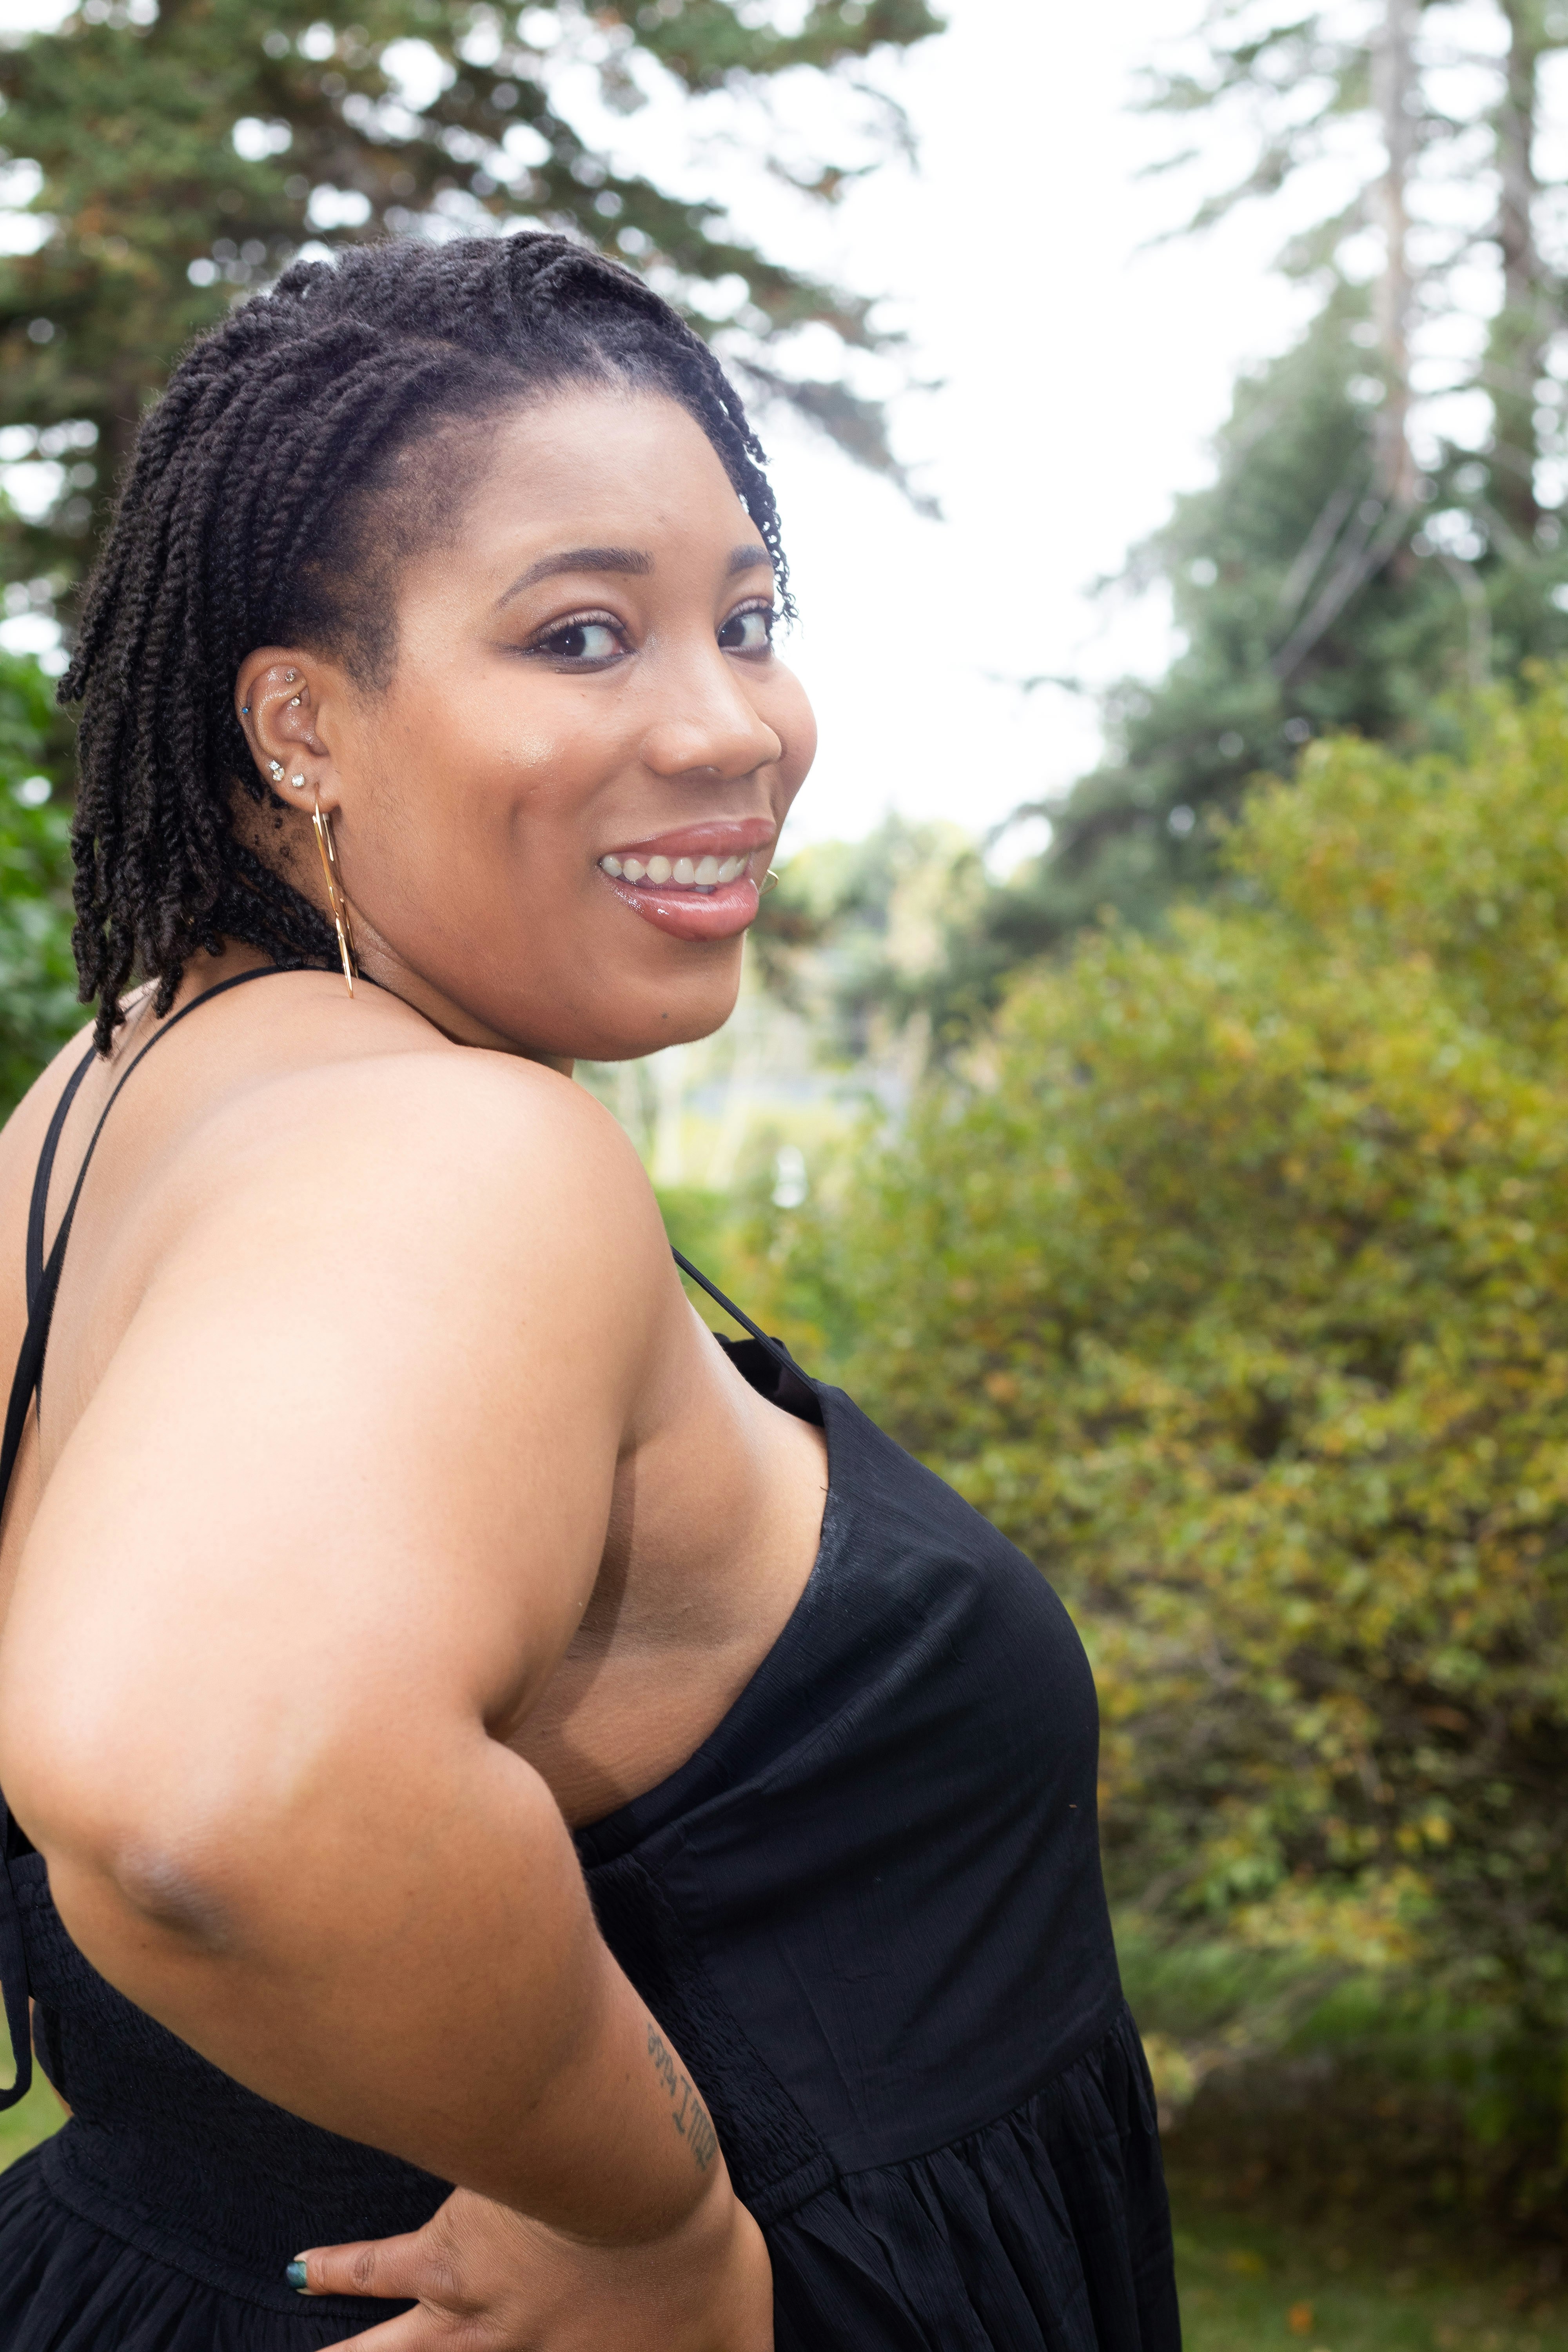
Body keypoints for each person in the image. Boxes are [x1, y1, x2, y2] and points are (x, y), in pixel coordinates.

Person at [0, 233, 1180, 2352]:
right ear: (299, 725)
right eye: (580, 635)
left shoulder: (100, 1103)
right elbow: (204, 1788)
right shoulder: (453, 1152)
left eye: (748, 620)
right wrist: (648, 2220)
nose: (731, 724)